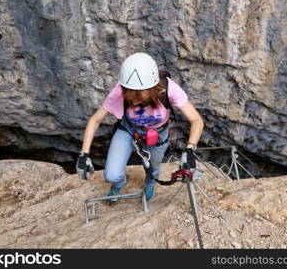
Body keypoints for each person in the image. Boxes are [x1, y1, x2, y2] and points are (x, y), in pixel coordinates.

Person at [76, 52, 204, 202]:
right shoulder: (121, 91)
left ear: (152, 87)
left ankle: (150, 184)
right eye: (128, 92)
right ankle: (119, 182)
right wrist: (83, 154)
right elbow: (95, 120)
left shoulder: (168, 89)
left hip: (158, 135)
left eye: (137, 93)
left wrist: (189, 149)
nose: (132, 97)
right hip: (129, 131)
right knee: (111, 174)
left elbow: (196, 120)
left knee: (154, 170)